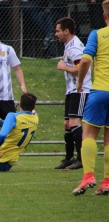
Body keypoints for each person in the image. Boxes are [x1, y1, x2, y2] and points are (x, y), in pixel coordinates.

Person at [72, 0, 109, 196]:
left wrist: (79, 83)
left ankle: (88, 176)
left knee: (89, 136)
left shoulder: (98, 34)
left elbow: (85, 60)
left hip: (100, 91)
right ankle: (107, 182)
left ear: (105, 17)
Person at [54, 17, 92, 170]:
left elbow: (81, 69)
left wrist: (64, 67)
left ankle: (81, 159)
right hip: (71, 91)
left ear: (66, 31)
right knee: (67, 124)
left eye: (58, 31)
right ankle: (69, 158)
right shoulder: (68, 45)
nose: (56, 34)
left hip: (80, 90)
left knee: (75, 123)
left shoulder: (75, 47)